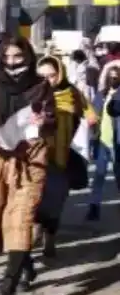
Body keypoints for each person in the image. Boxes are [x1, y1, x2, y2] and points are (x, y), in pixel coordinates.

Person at [0, 35, 54, 295]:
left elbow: (51, 121)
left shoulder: (41, 87)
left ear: (28, 56)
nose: (11, 62)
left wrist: (41, 124)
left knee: (21, 215)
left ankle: (6, 288)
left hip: (30, 158)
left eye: (17, 56)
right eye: (6, 57)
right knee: (3, 210)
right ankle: (25, 262)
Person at [35, 55, 95, 261]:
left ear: (60, 74)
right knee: (34, 200)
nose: (47, 81)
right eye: (41, 76)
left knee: (55, 202)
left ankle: (49, 236)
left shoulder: (72, 93)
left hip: (61, 157)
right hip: (34, 157)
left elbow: (91, 116)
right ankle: (35, 233)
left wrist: (80, 129)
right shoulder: (32, 95)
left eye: (51, 76)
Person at [88, 60, 120, 221]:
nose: (113, 80)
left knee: (118, 174)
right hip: (102, 140)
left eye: (116, 77)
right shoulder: (101, 95)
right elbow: (92, 114)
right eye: (111, 77)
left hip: (117, 141)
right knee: (99, 175)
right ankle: (94, 207)